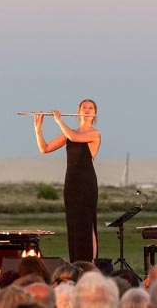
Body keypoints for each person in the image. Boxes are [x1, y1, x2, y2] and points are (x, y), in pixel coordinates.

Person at [33, 100, 100, 262]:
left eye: (90, 107)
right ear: (78, 110)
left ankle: (91, 262)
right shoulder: (70, 132)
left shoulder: (94, 133)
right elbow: (45, 149)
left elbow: (74, 137)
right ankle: (76, 261)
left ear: (94, 113)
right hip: (71, 182)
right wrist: (38, 129)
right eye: (83, 107)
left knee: (87, 221)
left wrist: (58, 120)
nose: (86, 109)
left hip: (86, 183)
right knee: (74, 223)